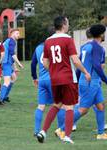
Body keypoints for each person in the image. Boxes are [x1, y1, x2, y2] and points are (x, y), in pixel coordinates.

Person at [36, 16, 91, 144]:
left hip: (54, 79)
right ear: (64, 25)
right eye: (68, 23)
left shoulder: (48, 41)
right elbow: (75, 60)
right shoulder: (68, 39)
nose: (68, 25)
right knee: (70, 107)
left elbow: (44, 62)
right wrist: (86, 72)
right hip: (67, 78)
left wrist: (54, 70)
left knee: (56, 104)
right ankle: (67, 136)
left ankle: (43, 131)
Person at [58, 24, 107, 140]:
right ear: (100, 34)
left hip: (88, 81)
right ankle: (62, 129)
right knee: (83, 110)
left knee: (100, 106)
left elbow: (80, 64)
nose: (104, 35)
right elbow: (97, 66)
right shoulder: (98, 48)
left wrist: (77, 80)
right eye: (104, 33)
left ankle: (101, 133)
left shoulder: (85, 47)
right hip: (90, 82)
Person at [0, 29, 24, 103]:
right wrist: (19, 63)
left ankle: (5, 96)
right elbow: (12, 54)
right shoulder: (11, 41)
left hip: (8, 63)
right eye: (17, 33)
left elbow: (9, 55)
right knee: (7, 82)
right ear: (12, 34)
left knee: (14, 77)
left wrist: (14, 67)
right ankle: (0, 99)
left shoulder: (9, 41)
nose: (18, 35)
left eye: (19, 33)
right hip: (6, 64)